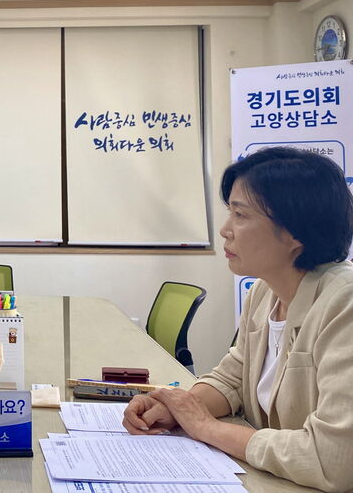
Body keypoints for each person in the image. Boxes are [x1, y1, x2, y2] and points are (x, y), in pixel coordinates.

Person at [123, 146, 353, 492]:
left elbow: (333, 460)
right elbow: (233, 378)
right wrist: (177, 408)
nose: (225, 230)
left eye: (241, 215)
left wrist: (207, 427)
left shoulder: (344, 303)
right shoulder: (265, 291)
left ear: (295, 232)